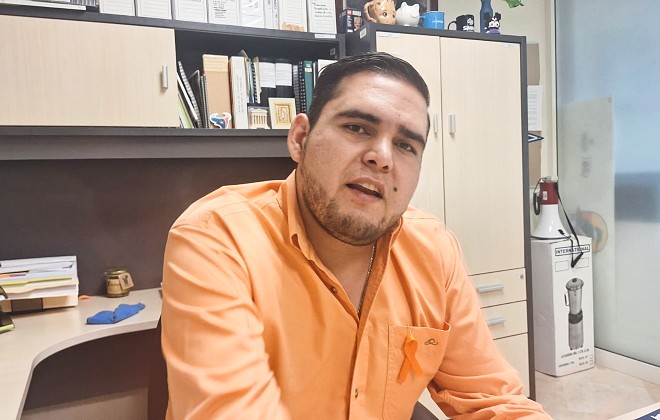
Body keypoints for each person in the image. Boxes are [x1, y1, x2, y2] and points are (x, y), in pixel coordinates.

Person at [161, 52, 550, 419]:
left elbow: (494, 401)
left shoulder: (433, 249)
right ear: (300, 138)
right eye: (357, 128)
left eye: (405, 145)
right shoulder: (218, 237)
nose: (382, 157)